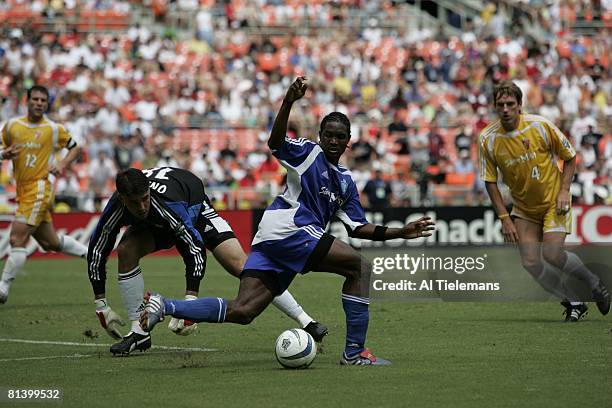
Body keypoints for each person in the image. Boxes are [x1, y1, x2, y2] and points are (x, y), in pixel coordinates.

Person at [140, 77, 435, 365]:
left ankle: (163, 305)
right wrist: (288, 102)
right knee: (360, 267)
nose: (333, 140)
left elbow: (358, 228)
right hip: (290, 229)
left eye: (339, 136)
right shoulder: (308, 152)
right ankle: (355, 352)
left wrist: (401, 232)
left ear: (348, 142)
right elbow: (275, 142)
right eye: (328, 134)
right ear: (320, 135)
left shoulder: (345, 182)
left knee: (244, 311)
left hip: (275, 238)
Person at [88, 166, 327, 356]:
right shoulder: (117, 206)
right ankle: (139, 332)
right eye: (134, 202)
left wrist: (190, 304)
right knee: (126, 249)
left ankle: (306, 320)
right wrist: (101, 304)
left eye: (145, 199)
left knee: (245, 268)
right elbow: (97, 248)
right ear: (121, 198)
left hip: (195, 213)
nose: (141, 207)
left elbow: (194, 248)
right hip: (159, 224)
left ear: (149, 191)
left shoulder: (167, 203)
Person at [478, 80, 610, 321]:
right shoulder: (488, 139)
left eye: (510, 104)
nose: (505, 109)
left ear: (519, 105)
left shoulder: (540, 126)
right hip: (523, 208)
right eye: (500, 105)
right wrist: (504, 218)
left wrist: (564, 191)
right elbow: (490, 181)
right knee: (529, 262)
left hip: (553, 201)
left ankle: (594, 283)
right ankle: (574, 303)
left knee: (552, 254)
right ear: (495, 107)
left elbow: (570, 156)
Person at [0, 85, 88, 304]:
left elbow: (76, 147)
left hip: (40, 188)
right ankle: (92, 254)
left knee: (16, 238)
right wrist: (3, 154)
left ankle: (2, 288)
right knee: (50, 243)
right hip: (23, 190)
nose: (39, 103)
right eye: (35, 99)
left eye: (43, 100)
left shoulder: (53, 128)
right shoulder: (12, 126)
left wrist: (63, 163)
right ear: (26, 101)